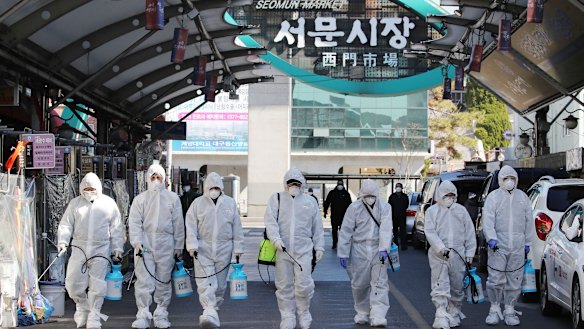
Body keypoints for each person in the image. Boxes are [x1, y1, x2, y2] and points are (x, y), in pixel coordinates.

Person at [57, 173, 124, 329]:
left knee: (97, 285)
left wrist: (117, 248)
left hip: (101, 248)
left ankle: (94, 315)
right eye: (86, 188)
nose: (89, 191)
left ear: (98, 188)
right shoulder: (75, 204)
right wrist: (63, 241)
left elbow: (116, 228)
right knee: (73, 283)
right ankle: (82, 305)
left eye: (92, 188)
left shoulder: (108, 204)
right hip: (79, 248)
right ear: (81, 189)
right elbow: (66, 225)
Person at [264, 167, 325, 329]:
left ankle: (304, 313)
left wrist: (319, 247)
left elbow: (317, 227)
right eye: (291, 183)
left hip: (304, 250)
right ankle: (287, 316)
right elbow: (270, 222)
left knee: (304, 284)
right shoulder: (276, 199)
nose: (294, 186)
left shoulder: (310, 202)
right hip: (283, 250)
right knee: (284, 286)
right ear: (285, 184)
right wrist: (276, 240)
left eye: (297, 183)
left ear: (302, 184)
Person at [128, 164, 185, 329]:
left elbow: (178, 224)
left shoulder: (173, 199)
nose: (156, 180)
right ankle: (143, 314)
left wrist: (178, 246)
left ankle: (161, 314)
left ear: (164, 178)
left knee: (163, 280)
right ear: (147, 179)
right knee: (144, 280)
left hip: (166, 244)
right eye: (153, 177)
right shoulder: (140, 199)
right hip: (145, 243)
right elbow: (135, 223)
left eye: (159, 177)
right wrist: (137, 242)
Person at [185, 172, 244, 328]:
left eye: (217, 187)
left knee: (220, 284)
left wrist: (238, 247)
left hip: (224, 248)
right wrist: (192, 245)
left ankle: (213, 310)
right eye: (211, 187)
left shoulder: (230, 204)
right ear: (206, 188)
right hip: (202, 248)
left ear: (221, 188)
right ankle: (208, 310)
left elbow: (237, 227)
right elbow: (190, 225)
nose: (214, 190)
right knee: (205, 282)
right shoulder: (198, 204)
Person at [482, 165, 533, 326]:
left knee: (515, 280)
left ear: (516, 179)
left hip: (517, 246)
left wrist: (527, 242)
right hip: (498, 245)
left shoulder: (523, 197)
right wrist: (491, 238)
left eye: (512, 178)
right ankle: (494, 308)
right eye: (506, 178)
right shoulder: (493, 197)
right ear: (500, 180)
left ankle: (510, 310)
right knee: (495, 279)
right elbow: (488, 220)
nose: (509, 181)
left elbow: (529, 222)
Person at [338, 179, 392, 327]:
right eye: (366, 195)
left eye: (372, 195)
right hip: (359, 249)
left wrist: (383, 248)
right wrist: (343, 252)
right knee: (359, 284)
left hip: (378, 250)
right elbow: (346, 230)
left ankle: (378, 315)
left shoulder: (385, 207)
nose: (370, 198)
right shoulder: (354, 208)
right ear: (361, 195)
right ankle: (362, 311)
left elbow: (386, 228)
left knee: (380, 284)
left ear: (377, 194)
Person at [425, 181, 476, 329]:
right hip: (438, 255)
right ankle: (440, 313)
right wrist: (440, 248)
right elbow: (430, 232)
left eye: (451, 195)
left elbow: (469, 233)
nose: (449, 198)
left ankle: (454, 312)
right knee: (440, 283)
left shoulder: (461, 211)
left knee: (457, 285)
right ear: (440, 195)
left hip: (458, 254)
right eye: (446, 195)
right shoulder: (432, 211)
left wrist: (470, 253)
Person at [323, 180, 352, 249]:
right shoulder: (332, 193)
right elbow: (327, 202)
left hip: (343, 216)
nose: (340, 186)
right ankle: (334, 243)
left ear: (343, 185)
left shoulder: (346, 194)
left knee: (343, 230)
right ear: (337, 185)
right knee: (334, 230)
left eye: (341, 184)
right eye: (339, 184)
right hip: (334, 215)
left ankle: (342, 243)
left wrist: (351, 215)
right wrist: (325, 211)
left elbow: (350, 205)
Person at [388, 182, 409, 250]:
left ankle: (404, 245)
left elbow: (406, 205)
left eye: (399, 186)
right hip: (394, 217)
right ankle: (395, 245)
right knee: (395, 232)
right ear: (395, 188)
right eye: (397, 186)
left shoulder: (405, 196)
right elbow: (389, 205)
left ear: (402, 188)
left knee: (403, 231)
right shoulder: (392, 196)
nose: (398, 188)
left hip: (402, 217)